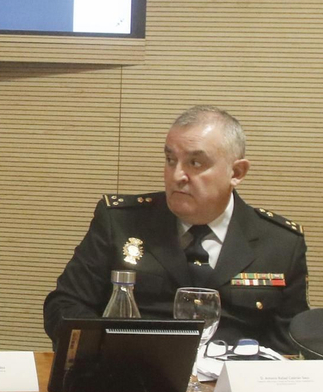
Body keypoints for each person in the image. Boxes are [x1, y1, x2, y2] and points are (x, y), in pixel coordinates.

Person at [44, 105, 309, 352]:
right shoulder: (121, 222)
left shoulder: (280, 242)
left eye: (195, 163)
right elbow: (64, 306)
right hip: (135, 380)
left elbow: (291, 339)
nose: (177, 175)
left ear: (236, 172)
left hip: (234, 390)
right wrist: (109, 352)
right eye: (171, 160)